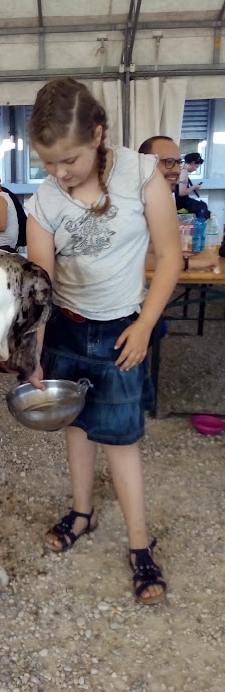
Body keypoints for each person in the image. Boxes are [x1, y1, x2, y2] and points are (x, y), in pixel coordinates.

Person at [25, 77, 182, 605]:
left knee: (121, 435)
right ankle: (82, 512)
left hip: (122, 327)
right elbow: (39, 286)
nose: (59, 173)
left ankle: (140, 545)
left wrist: (142, 326)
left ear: (97, 134)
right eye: (48, 163)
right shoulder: (45, 200)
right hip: (66, 326)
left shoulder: (142, 176)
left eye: (68, 159)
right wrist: (33, 353)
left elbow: (170, 256)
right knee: (76, 424)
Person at [138, 136, 219, 272]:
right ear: (143, 163)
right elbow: (132, 260)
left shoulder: (156, 201)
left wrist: (185, 256)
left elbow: (154, 250)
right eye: (169, 162)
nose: (176, 170)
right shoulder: (130, 205)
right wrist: (190, 263)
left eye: (178, 162)